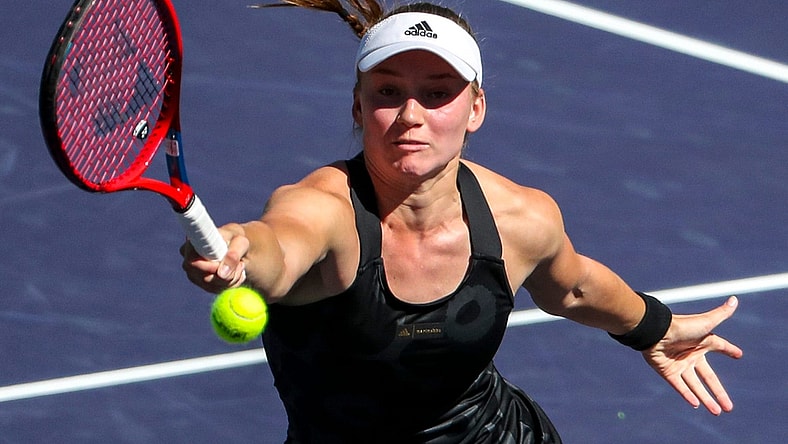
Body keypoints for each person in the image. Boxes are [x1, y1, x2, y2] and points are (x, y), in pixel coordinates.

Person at [181, 1, 743, 442]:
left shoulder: (519, 218)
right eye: (388, 92)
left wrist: (655, 328)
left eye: (436, 93)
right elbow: (278, 247)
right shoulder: (326, 209)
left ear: (475, 108)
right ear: (357, 107)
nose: (410, 115)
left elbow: (571, 287)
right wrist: (240, 252)